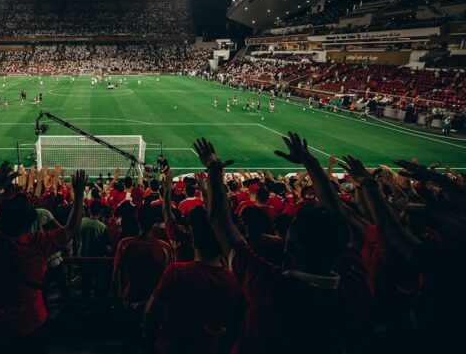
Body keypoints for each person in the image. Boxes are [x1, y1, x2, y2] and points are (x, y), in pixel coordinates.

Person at [192, 135, 372, 354]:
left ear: (290, 248)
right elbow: (338, 217)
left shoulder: (268, 286)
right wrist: (311, 162)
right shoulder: (356, 286)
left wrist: (213, 168)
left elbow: (218, 219)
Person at [0, 171, 87, 354]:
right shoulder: (36, 244)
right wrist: (79, 192)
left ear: (0, 215)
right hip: (32, 324)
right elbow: (72, 228)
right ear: (29, 221)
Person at [145, 206, 242, 354]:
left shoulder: (176, 273)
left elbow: (151, 313)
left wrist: (151, 340)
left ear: (193, 240)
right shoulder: (232, 280)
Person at [112, 205, 174, 353]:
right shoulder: (165, 248)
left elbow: (115, 278)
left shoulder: (125, 244)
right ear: (155, 222)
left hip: (129, 300)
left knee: (129, 343)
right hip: (154, 304)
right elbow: (167, 284)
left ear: (137, 220)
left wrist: (117, 303)